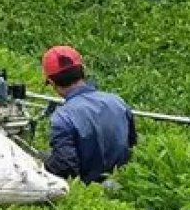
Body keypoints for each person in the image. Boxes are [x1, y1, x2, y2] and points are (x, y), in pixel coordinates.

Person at [41, 45, 136, 184]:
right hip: (121, 183)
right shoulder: (117, 102)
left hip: (90, 188)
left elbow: (65, 168)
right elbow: (132, 144)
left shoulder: (63, 117)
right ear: (83, 71)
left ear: (51, 82)